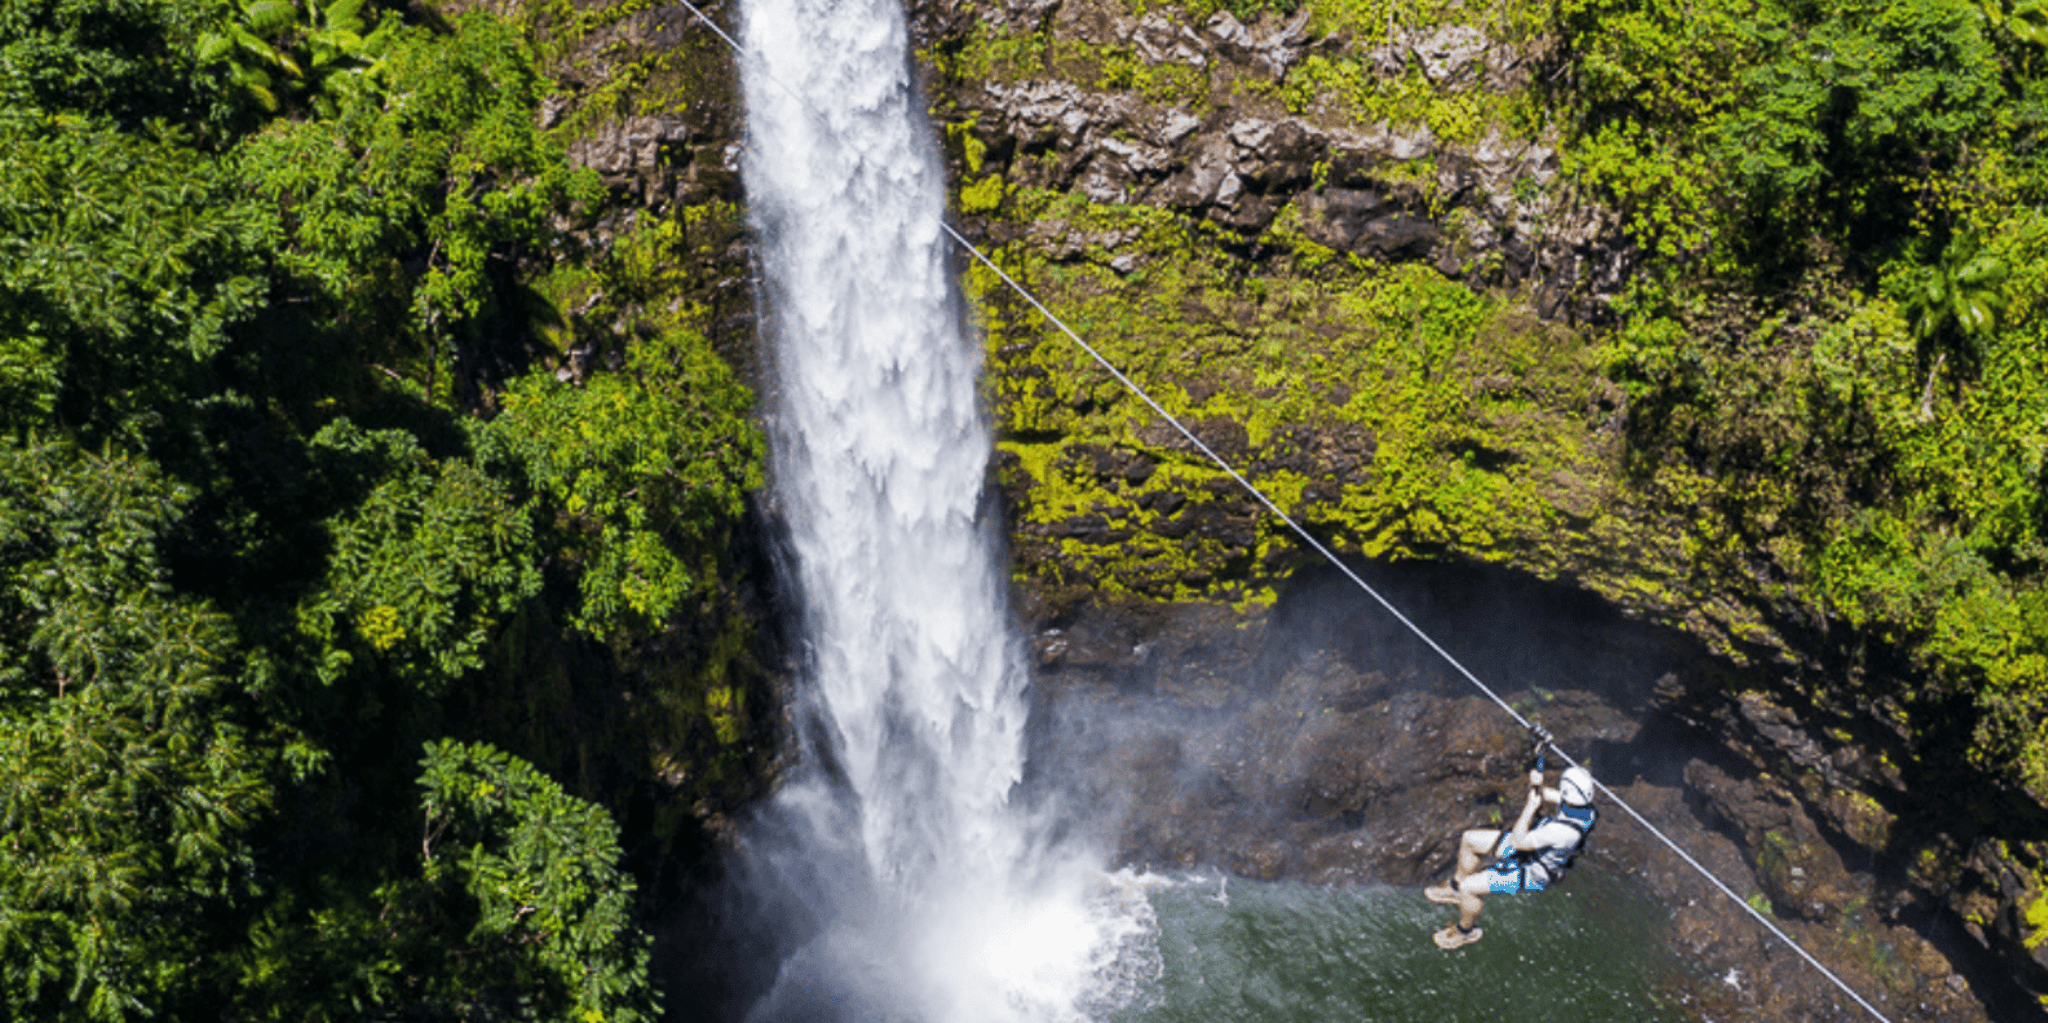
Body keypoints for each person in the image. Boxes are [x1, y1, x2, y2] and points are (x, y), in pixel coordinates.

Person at [1424, 764, 1598, 949]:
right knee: (1469, 839)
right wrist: (1537, 786)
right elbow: (1552, 796)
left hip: (1533, 871)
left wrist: (1530, 808)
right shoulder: (1586, 810)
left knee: (1470, 888)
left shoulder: (1562, 832)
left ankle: (1465, 932)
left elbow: (1518, 841)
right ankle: (1455, 889)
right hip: (1533, 850)